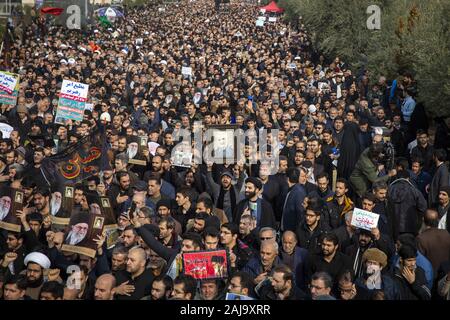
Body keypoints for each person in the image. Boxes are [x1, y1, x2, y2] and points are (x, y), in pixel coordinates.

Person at [388, 169, 427, 238]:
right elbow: (423, 207)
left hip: (392, 226)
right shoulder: (414, 190)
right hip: (410, 226)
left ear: (396, 178)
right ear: (408, 178)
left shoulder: (389, 189)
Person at [416, 208, 450, 274]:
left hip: (430, 275)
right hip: (445, 274)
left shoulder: (421, 238)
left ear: (423, 220)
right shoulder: (446, 234)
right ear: (438, 220)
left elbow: (419, 261)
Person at [281, 167, 307, 232]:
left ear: (287, 178)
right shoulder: (291, 190)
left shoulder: (298, 192)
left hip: (293, 232)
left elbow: (300, 214)